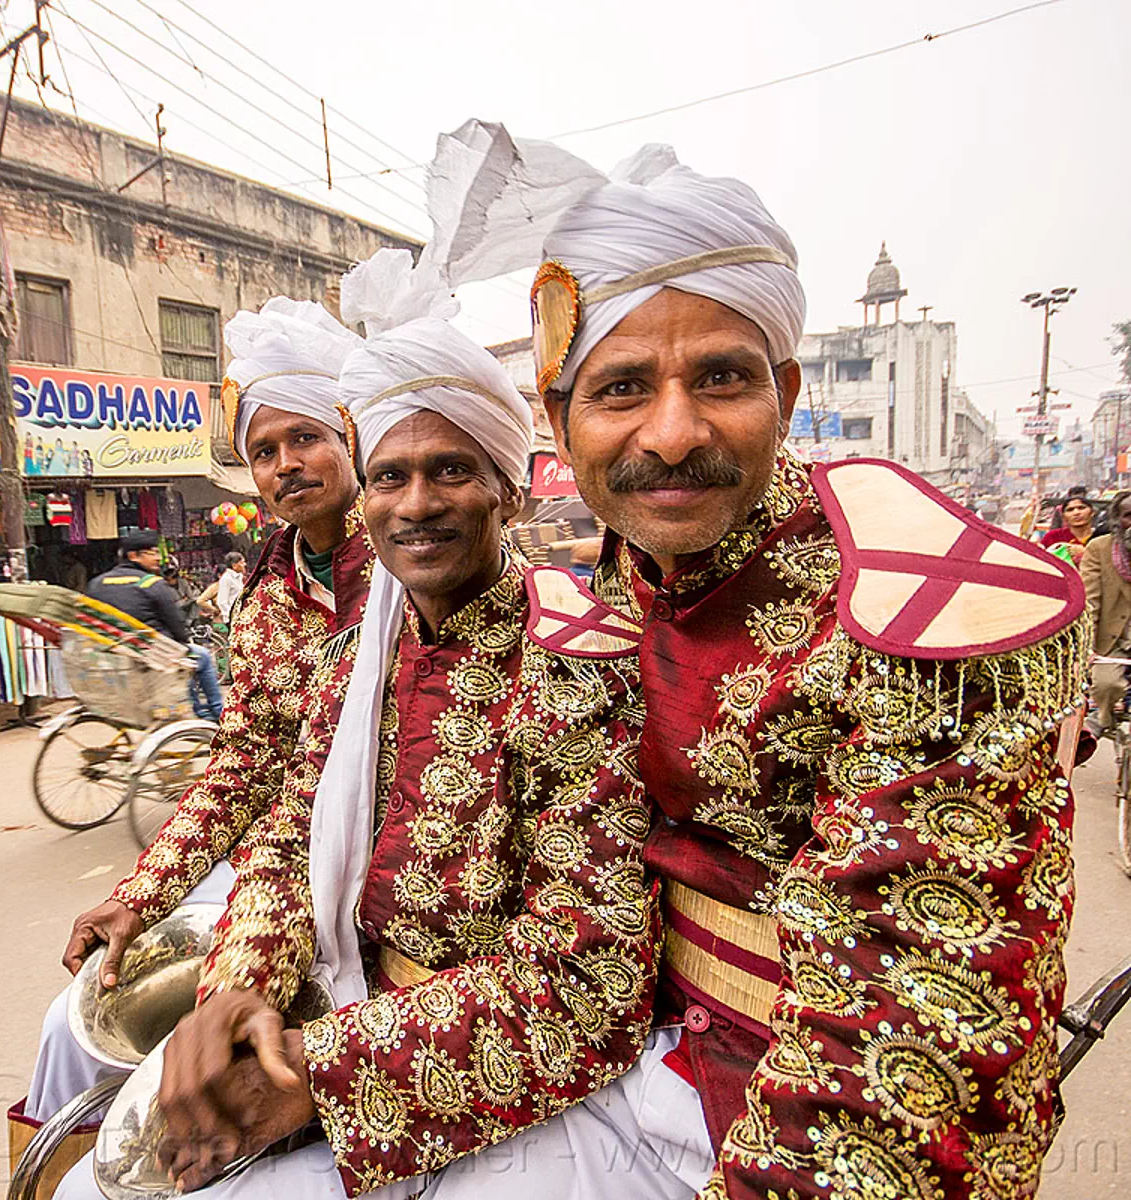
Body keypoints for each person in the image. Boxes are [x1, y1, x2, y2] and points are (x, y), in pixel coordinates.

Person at [412, 118, 1090, 1199]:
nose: (673, 433)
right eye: (622, 387)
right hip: (626, 1062)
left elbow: (904, 1073)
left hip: (789, 1113)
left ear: (784, 385)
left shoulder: (916, 604)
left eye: (721, 378)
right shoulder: (604, 585)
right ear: (559, 417)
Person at [57, 250, 656, 1200]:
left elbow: (585, 979)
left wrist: (321, 1076)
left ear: (510, 487)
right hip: (344, 985)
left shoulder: (577, 667)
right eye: (391, 477)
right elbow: (288, 839)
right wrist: (232, 996)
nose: (415, 504)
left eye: (450, 470)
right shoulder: (348, 658)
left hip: (475, 1067)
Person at [11, 299, 369, 1187]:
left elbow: (314, 800)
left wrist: (234, 979)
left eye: (306, 439)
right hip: (275, 872)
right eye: (264, 452)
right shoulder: (274, 584)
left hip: (354, 885)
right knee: (73, 1018)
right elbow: (243, 759)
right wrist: (137, 894)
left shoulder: (406, 565)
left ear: (353, 438)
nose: (287, 465)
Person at [86, 530, 224, 721]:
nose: (158, 558)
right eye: (152, 552)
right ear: (134, 556)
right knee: (202, 656)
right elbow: (177, 627)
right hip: (152, 658)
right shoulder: (151, 584)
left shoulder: (97, 584)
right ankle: (219, 714)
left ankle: (198, 710)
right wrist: (183, 642)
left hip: (114, 658)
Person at [1081, 491, 1131, 736]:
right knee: (1105, 685)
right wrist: (1087, 646)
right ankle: (1102, 717)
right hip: (1114, 641)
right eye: (1128, 516)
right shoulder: (1099, 549)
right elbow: (1090, 601)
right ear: (1117, 521)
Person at [1042, 493, 1095, 565]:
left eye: (1081, 508)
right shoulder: (1053, 537)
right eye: (1070, 510)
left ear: (1092, 512)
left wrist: (1085, 553)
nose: (1076, 513)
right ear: (1063, 516)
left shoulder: (1102, 537)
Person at [197, 550, 248, 622]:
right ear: (234, 566)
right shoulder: (226, 579)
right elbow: (222, 602)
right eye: (242, 562)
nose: (245, 564)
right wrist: (232, 615)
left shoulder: (240, 577)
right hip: (233, 619)